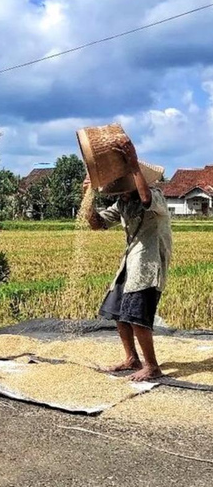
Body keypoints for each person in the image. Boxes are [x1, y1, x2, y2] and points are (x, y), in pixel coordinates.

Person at [83, 139, 171, 381]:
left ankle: (152, 366)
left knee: (136, 315)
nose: (122, 189)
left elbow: (145, 200)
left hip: (148, 263)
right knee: (119, 312)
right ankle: (132, 358)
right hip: (130, 262)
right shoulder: (122, 203)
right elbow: (97, 224)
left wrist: (133, 164)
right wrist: (87, 196)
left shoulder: (156, 196)